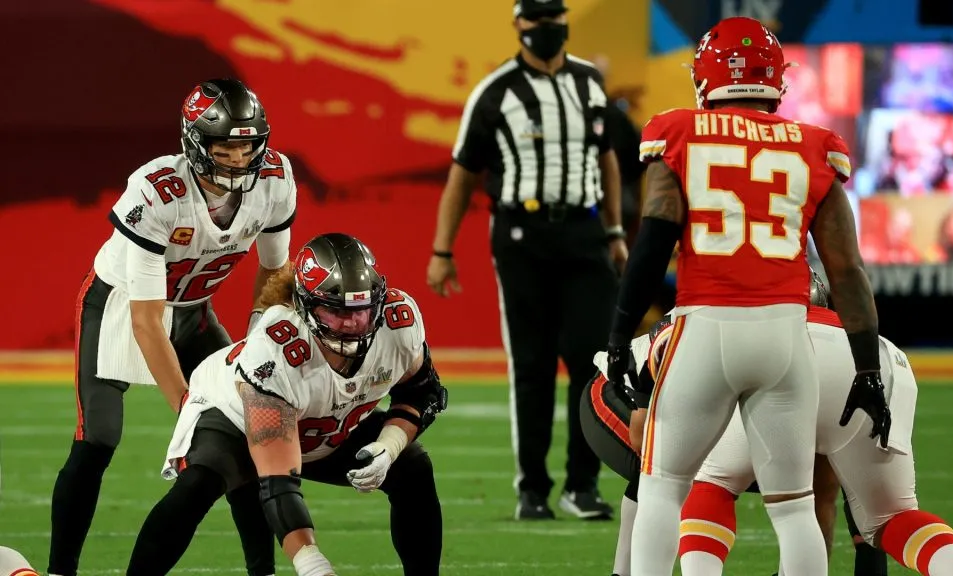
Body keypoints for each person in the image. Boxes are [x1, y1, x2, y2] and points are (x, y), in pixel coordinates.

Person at [603, 16, 889, 575]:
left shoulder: (678, 131)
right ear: (776, 79)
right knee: (796, 507)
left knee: (662, 490)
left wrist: (619, 334)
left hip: (705, 328)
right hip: (786, 336)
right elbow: (848, 271)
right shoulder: (815, 146)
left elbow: (653, 239)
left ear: (705, 77)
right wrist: (868, 370)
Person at [48, 78, 295, 576]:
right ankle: (60, 570)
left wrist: (255, 339)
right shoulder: (157, 190)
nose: (238, 159)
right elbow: (145, 318)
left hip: (195, 309)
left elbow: (275, 272)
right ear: (195, 143)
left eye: (247, 145)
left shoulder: (275, 177)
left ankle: (263, 572)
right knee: (98, 437)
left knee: (243, 435)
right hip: (119, 306)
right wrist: (189, 407)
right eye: (225, 146)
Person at [125, 233, 448, 576]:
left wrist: (389, 446)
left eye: (363, 309)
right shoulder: (277, 351)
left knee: (412, 465)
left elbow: (421, 392)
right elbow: (279, 482)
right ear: (305, 305)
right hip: (233, 413)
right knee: (198, 485)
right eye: (336, 311)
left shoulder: (398, 323)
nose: (353, 323)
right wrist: (311, 562)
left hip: (321, 427)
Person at [426, 0, 626, 520]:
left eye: (554, 17)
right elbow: (462, 172)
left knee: (594, 364)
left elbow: (605, 156)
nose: (547, 27)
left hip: (585, 232)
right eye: (536, 19)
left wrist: (615, 229)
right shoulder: (494, 92)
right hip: (522, 234)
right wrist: (442, 251)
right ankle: (532, 488)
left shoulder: (588, 82)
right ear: (518, 25)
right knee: (532, 365)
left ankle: (582, 487)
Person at [580, 276, 891, 576]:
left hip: (709, 401)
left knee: (812, 475)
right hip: (620, 393)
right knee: (661, 460)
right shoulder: (714, 325)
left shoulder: (816, 352)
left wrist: (870, 565)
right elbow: (641, 429)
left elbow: (852, 474)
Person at [679, 273, 953, 576]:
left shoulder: (739, 323)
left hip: (780, 353)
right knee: (895, 517)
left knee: (713, 486)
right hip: (880, 359)